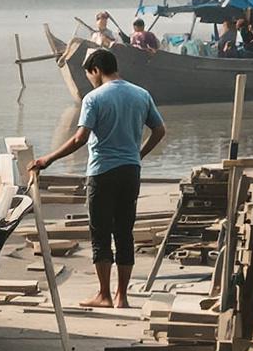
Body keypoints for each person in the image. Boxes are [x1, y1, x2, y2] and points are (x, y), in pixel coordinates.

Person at [27, 47, 165, 309]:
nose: (90, 79)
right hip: (130, 172)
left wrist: (48, 159)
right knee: (124, 232)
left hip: (102, 172)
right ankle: (123, 296)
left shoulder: (94, 98)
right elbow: (159, 130)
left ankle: (104, 294)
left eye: (89, 74)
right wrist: (138, 155)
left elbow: (80, 138)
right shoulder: (141, 94)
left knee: (101, 233)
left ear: (96, 70)